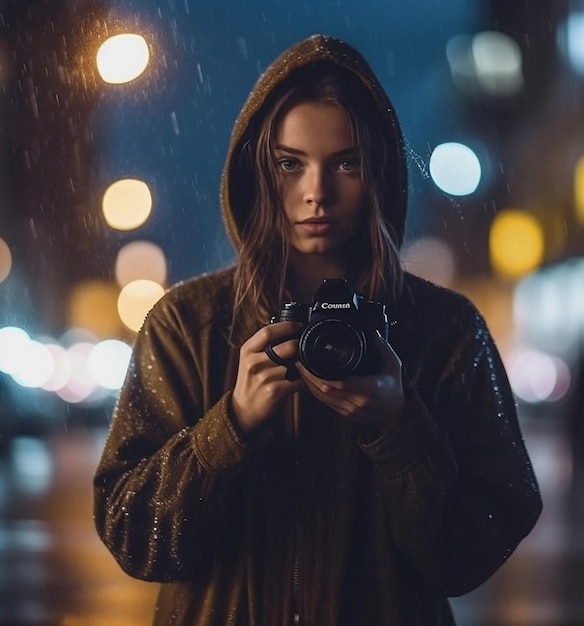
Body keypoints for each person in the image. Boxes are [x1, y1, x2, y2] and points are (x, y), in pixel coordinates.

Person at [93, 34, 542, 626]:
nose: (316, 193)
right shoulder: (188, 324)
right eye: (290, 163)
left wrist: (399, 427)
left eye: (346, 163)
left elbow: (466, 555)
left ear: (377, 170)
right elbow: (133, 536)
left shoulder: (445, 330)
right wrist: (231, 426)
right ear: (259, 170)